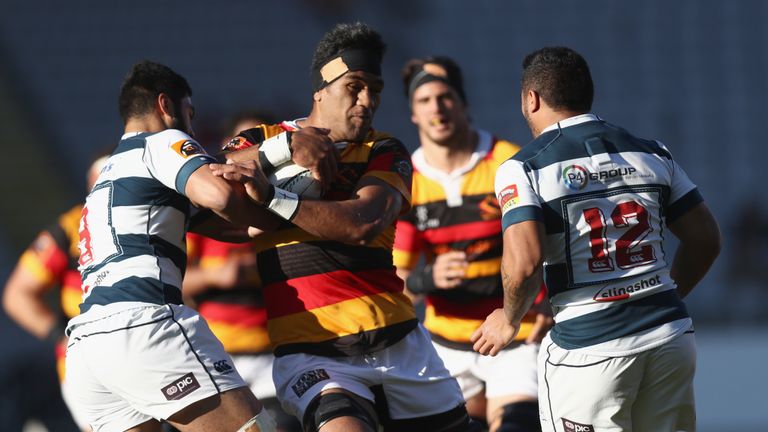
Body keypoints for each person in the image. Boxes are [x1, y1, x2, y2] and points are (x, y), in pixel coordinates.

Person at [220, 22, 474, 432]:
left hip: (401, 345)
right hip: (314, 354)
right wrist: (288, 146)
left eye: (375, 90)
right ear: (321, 89)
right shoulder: (261, 139)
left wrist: (272, 200)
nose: (367, 100)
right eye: (354, 86)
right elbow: (215, 179)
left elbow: (363, 222)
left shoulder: (384, 149)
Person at [64, 60, 334, 432]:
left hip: (88, 346)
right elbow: (220, 196)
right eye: (189, 114)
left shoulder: (111, 175)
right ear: (165, 105)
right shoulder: (161, 141)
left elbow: (228, 223)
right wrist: (277, 176)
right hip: (143, 324)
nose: (191, 129)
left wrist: (279, 215)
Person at [471, 47, 721, 432]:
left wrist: (509, 317)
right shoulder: (652, 152)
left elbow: (524, 263)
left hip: (589, 347)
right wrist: (664, 293)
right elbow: (706, 240)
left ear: (531, 99)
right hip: (669, 335)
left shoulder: (524, 168)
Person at [393, 56, 551, 432]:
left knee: (516, 424)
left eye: (445, 97)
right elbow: (396, 282)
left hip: (516, 333)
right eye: (425, 100)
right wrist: (426, 278)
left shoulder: (507, 163)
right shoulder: (407, 181)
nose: (437, 108)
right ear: (413, 113)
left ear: (463, 103)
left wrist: (548, 301)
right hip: (446, 342)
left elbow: (545, 244)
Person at [183, 110, 301, 432]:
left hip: (272, 356)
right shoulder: (206, 215)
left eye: (259, 142)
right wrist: (215, 275)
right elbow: (173, 281)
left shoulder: (293, 207)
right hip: (216, 357)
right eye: (241, 142)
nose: (250, 153)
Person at [3, 153, 109, 431]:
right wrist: (62, 337)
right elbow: (17, 294)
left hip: (153, 347)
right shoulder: (69, 229)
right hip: (90, 364)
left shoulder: (161, 220)